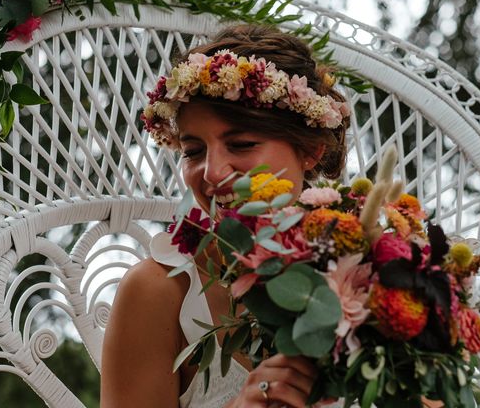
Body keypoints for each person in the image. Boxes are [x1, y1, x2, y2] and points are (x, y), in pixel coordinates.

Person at [100, 24, 350, 408]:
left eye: (242, 144)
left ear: (312, 151)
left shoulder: (372, 270)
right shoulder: (158, 291)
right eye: (194, 151)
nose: (213, 172)